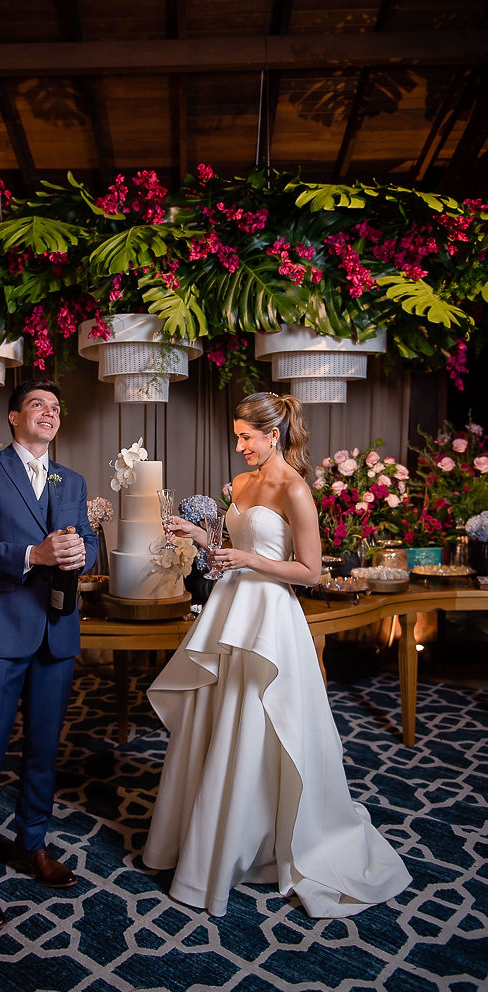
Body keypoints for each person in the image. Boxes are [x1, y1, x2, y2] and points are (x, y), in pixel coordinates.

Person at [142, 391, 411, 918]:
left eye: (247, 436)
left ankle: (262, 838)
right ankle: (214, 834)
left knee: (259, 723)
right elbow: (230, 548)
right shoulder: (242, 483)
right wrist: (199, 536)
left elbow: (308, 571)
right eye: (237, 436)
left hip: (269, 617)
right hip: (231, 609)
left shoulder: (295, 489)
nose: (239, 445)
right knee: (221, 722)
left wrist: (246, 559)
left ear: (274, 434)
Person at [0, 379, 97, 933]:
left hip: (56, 630)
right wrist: (33, 554)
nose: (49, 412)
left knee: (43, 747)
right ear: (14, 417)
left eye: (56, 407)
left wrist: (82, 553)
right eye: (38, 404)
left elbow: (88, 543)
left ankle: (30, 843)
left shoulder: (71, 480)